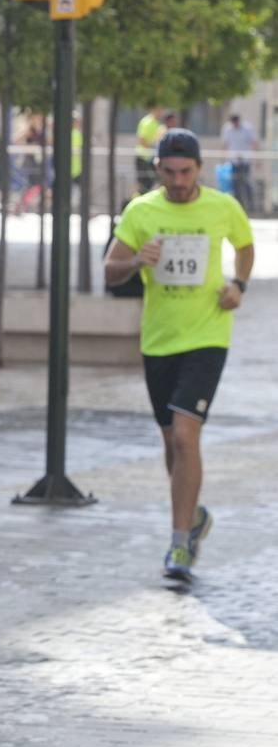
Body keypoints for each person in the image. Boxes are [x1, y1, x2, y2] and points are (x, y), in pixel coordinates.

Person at [103, 129, 254, 582]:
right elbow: (110, 270)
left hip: (208, 335)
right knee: (172, 444)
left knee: (187, 438)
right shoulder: (142, 211)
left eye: (186, 171)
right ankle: (193, 514)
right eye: (168, 171)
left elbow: (245, 248)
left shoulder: (223, 206)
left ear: (200, 169)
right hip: (159, 340)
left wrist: (238, 286)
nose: (178, 180)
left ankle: (179, 543)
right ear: (157, 170)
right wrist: (136, 262)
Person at [221, 113, 259, 213]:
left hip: (245, 161)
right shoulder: (227, 129)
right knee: (235, 184)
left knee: (246, 182)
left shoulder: (247, 129)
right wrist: (223, 159)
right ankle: (238, 205)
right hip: (233, 161)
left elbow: (253, 143)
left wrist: (256, 159)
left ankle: (251, 206)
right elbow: (225, 144)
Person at [135, 107, 167, 195]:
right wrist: (153, 146)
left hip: (151, 158)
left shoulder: (157, 124)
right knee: (144, 184)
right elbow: (142, 140)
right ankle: (136, 200)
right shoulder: (147, 122)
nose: (161, 112)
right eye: (159, 109)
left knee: (159, 181)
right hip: (144, 157)